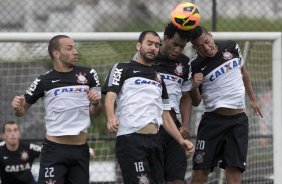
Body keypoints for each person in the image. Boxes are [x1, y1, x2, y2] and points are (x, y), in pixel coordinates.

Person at [102, 30, 194, 184]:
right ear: (139, 45)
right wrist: (111, 117)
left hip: (155, 141)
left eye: (157, 45)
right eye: (149, 43)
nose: (153, 48)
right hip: (131, 140)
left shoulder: (158, 78)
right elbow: (110, 95)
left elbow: (165, 115)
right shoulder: (122, 68)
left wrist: (180, 140)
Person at [11, 35, 102, 184]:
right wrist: (17, 107)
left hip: (80, 150)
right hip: (54, 150)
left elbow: (95, 112)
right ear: (56, 54)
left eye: (75, 47)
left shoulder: (90, 74)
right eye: (70, 48)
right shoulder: (43, 80)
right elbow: (21, 112)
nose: (75, 51)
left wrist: (97, 103)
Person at [188, 26, 263, 184]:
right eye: (200, 46)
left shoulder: (231, 46)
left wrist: (253, 98)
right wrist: (194, 86)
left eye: (207, 41)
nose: (206, 47)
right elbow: (196, 102)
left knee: (235, 172)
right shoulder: (193, 65)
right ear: (195, 48)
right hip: (213, 122)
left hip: (238, 122)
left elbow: (244, 72)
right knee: (200, 172)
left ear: (211, 36)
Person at [152, 23, 192, 184]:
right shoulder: (148, 57)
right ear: (165, 39)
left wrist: (185, 124)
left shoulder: (184, 63)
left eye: (181, 47)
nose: (177, 49)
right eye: (174, 44)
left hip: (173, 126)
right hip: (151, 124)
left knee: (176, 180)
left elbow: (187, 96)